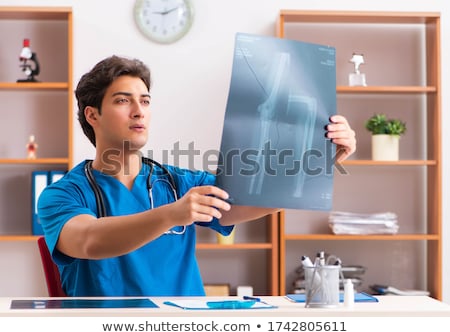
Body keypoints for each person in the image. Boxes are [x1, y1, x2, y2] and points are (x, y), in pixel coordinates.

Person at [38, 55, 356, 297]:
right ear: (93, 114)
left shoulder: (179, 183)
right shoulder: (63, 194)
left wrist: (320, 162)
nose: (139, 110)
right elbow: (89, 240)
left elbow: (249, 201)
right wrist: (172, 214)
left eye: (145, 101)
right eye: (123, 100)